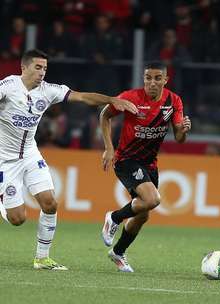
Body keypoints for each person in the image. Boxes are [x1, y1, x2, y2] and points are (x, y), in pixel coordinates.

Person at [0, 49, 138, 270]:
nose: (42, 72)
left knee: (50, 203)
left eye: (45, 68)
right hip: (4, 160)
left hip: (29, 153)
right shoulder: (7, 87)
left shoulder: (48, 91)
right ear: (23, 67)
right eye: (37, 67)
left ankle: (42, 258)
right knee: (17, 219)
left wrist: (111, 100)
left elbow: (82, 96)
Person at [100, 61, 191, 272]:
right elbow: (105, 115)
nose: (152, 82)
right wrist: (109, 147)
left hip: (150, 163)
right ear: (144, 79)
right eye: (148, 78)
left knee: (143, 214)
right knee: (152, 199)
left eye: (157, 78)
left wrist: (184, 129)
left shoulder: (173, 101)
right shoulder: (130, 98)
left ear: (165, 80)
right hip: (126, 160)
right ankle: (113, 218)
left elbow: (179, 138)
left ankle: (118, 252)